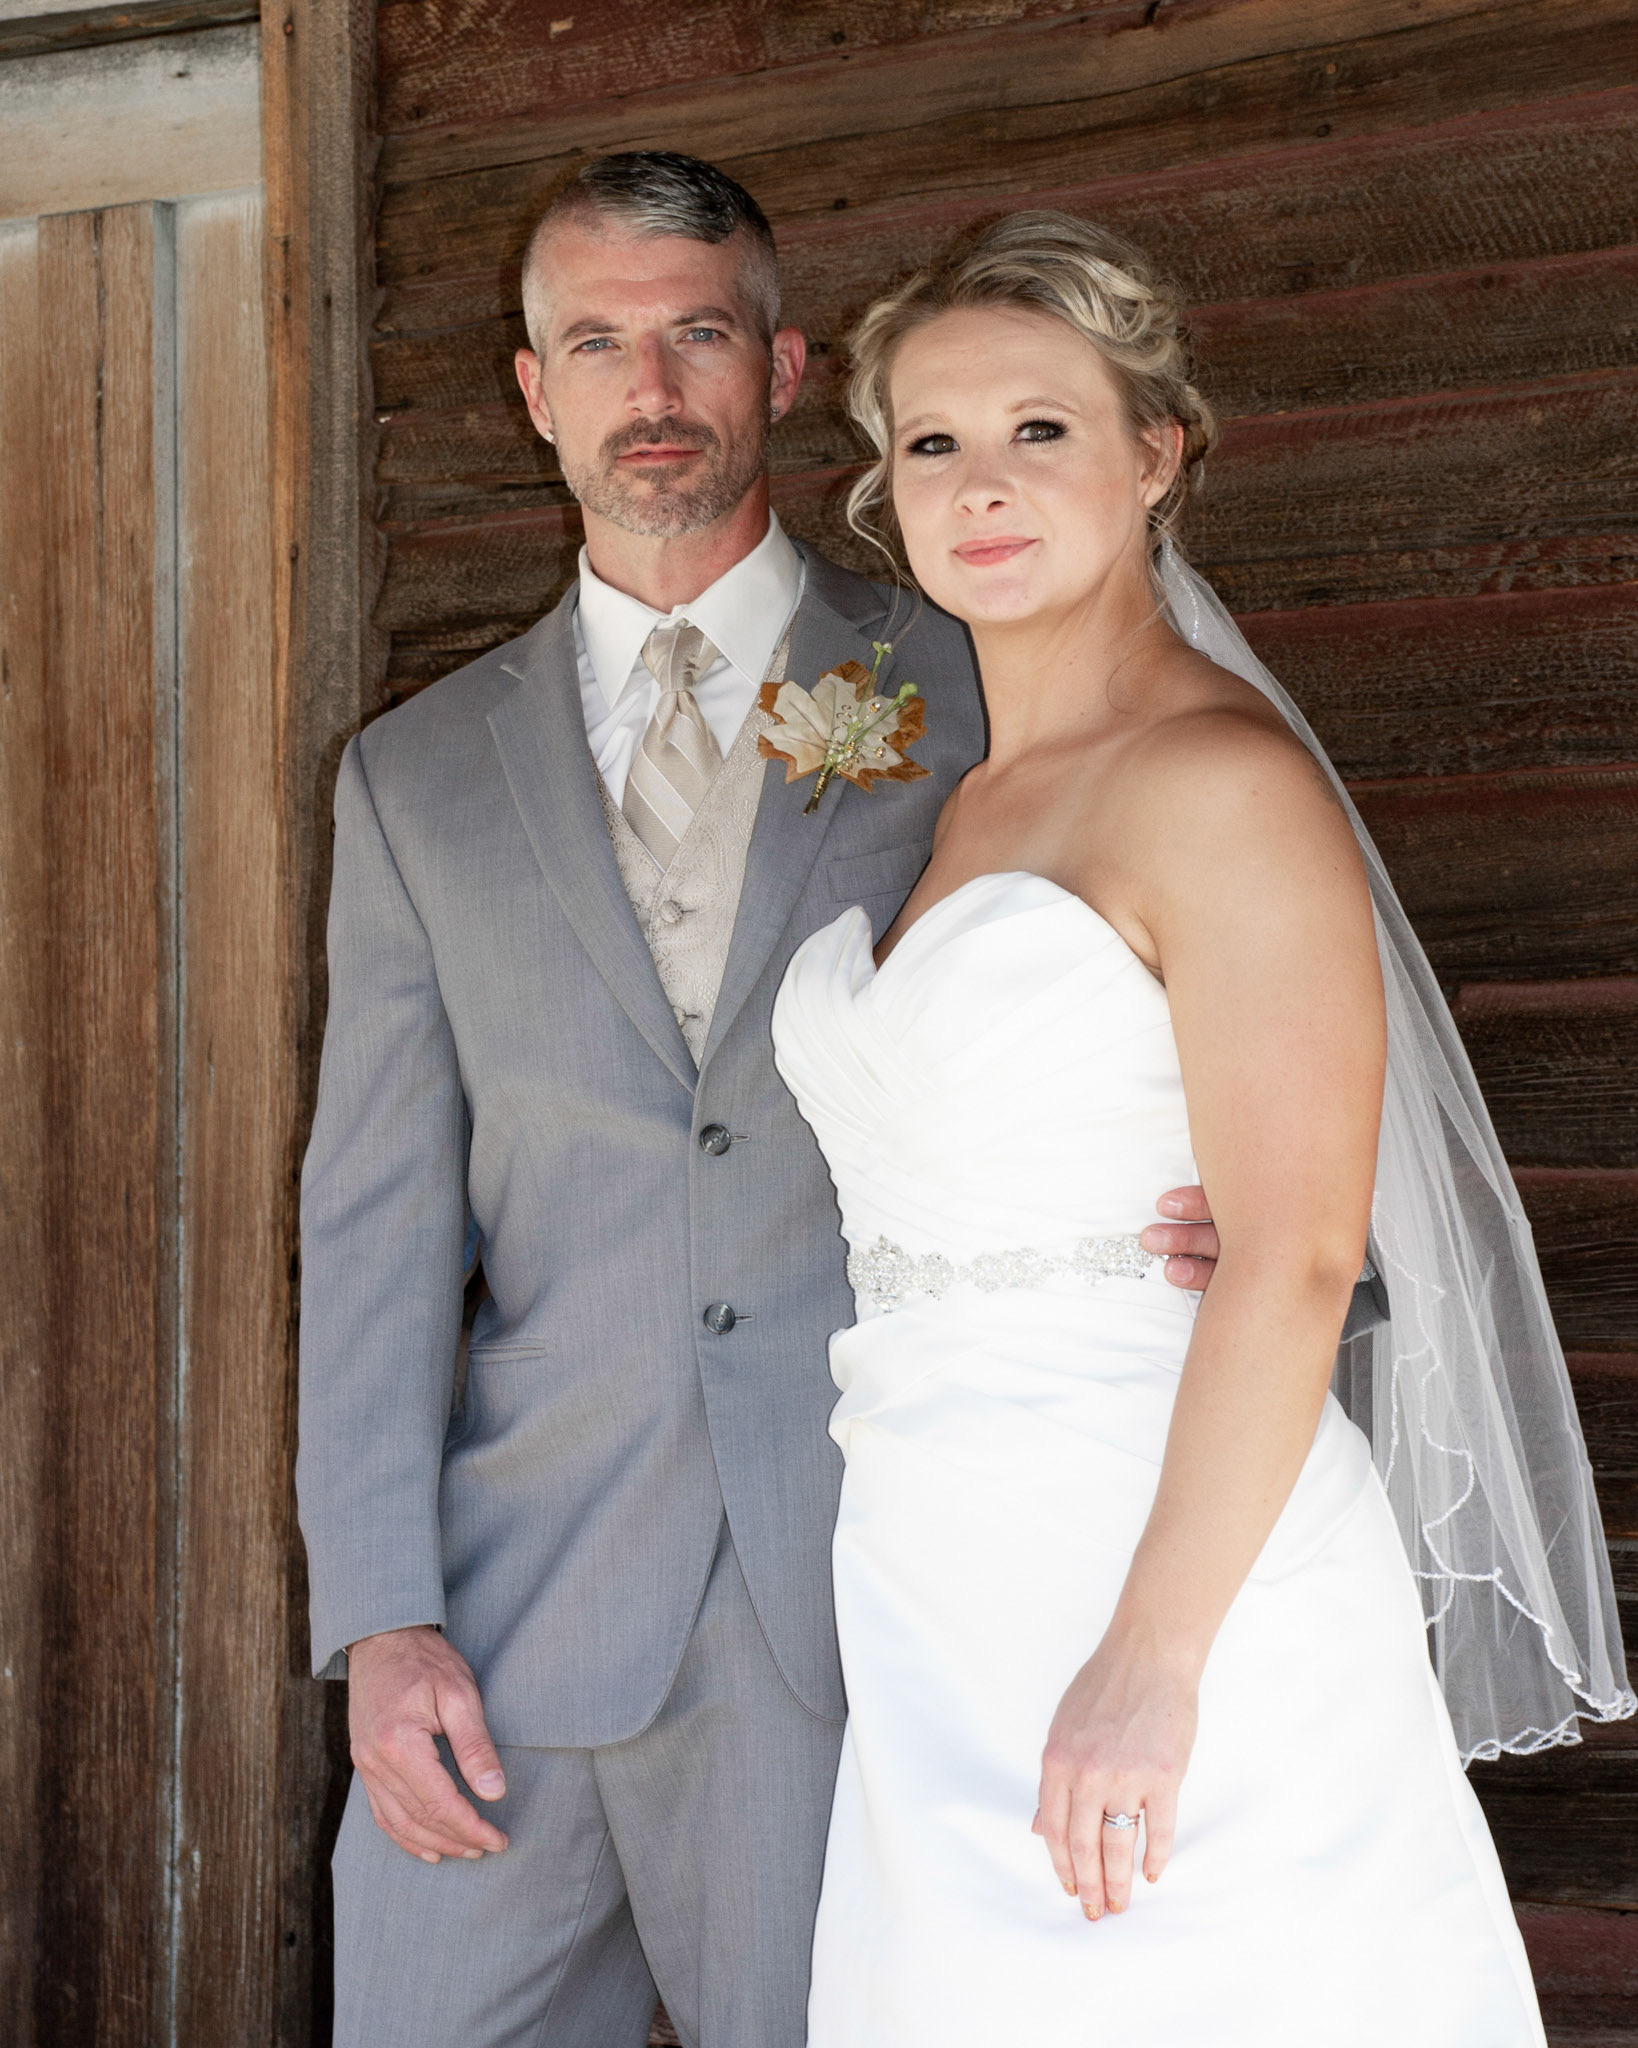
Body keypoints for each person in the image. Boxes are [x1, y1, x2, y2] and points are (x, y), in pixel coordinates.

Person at [295, 156, 1272, 2048]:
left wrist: (1237, 1208)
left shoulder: (974, 670)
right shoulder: (411, 776)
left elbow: (1188, 963)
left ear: (783, 366)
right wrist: (380, 1616)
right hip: (505, 1620)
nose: (650, 387)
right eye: (598, 343)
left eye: (698, 334)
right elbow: (375, 1223)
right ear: (533, 390)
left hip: (862, 1596)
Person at [771, 211, 1633, 2047]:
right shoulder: (969, 802)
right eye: (932, 443)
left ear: (1155, 454)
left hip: (1165, 1570)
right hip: (932, 1571)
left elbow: (1301, 1250)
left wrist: (1153, 1664)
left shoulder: (1219, 783)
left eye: (1041, 431)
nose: (980, 485)